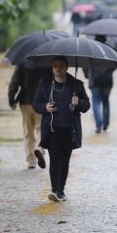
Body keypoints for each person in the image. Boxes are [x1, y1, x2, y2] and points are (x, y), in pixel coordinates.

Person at [33, 56, 90, 202]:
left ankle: (61, 190)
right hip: (52, 129)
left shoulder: (76, 85)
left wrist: (78, 103)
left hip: (70, 130)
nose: (58, 68)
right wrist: (45, 107)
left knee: (65, 161)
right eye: (55, 66)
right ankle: (54, 190)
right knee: (54, 160)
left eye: (61, 66)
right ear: (52, 68)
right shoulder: (45, 84)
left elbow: (86, 106)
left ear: (66, 67)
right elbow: (36, 103)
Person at [8, 65, 51, 169]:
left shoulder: (22, 64)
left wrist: (12, 100)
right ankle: (40, 149)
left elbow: (14, 82)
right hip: (42, 102)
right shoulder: (47, 63)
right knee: (42, 128)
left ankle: (31, 161)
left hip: (26, 101)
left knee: (28, 131)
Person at [86, 35, 116, 133]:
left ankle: (99, 124)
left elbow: (85, 65)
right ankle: (106, 124)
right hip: (107, 80)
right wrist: (109, 72)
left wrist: (87, 75)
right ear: (105, 39)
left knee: (95, 102)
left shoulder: (91, 50)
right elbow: (115, 65)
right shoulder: (110, 50)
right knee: (105, 102)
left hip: (95, 80)